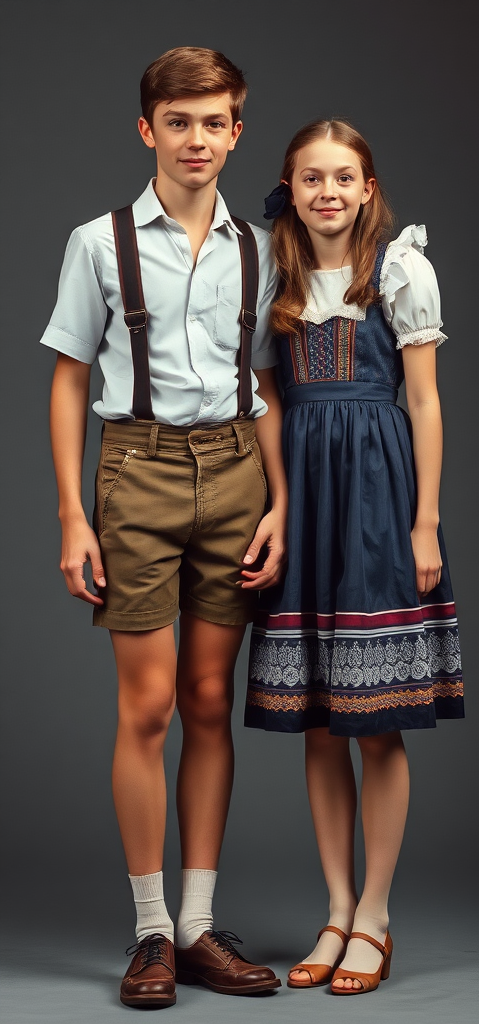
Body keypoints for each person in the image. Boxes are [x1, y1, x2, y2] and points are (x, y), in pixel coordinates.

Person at [41, 46, 287, 1009]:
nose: (196, 138)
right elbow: (68, 376)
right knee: (147, 709)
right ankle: (149, 930)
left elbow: (262, 383)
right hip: (134, 474)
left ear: (236, 130)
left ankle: (196, 926)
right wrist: (74, 512)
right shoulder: (99, 242)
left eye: (214, 120)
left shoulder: (257, 248)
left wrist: (281, 499)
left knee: (212, 701)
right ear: (149, 130)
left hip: (234, 473)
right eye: (177, 121)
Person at [244, 119, 464, 995]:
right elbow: (264, 392)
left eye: (343, 178)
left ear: (367, 188)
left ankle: (375, 914)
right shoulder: (276, 275)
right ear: (291, 190)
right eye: (310, 179)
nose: (327, 192)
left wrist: (424, 522)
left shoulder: (402, 267)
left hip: (378, 491)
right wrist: (279, 498)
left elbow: (425, 403)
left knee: (376, 720)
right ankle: (335, 908)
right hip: (304, 485)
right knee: (324, 718)